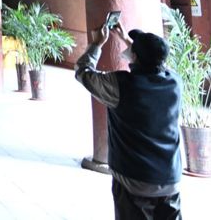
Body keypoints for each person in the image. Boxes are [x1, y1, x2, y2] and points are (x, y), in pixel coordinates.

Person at [75, 24, 182, 219]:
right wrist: (127, 40)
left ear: (135, 58)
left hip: (134, 180)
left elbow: (83, 71)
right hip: (169, 180)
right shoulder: (175, 82)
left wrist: (97, 43)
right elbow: (154, 59)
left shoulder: (121, 85)